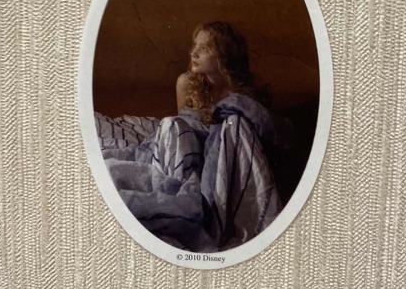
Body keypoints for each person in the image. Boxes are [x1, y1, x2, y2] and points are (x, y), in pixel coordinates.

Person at [96, 21, 282, 252]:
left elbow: (268, 137)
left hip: (217, 158)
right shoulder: (187, 83)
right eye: (195, 45)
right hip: (190, 153)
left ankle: (224, 216)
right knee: (171, 124)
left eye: (204, 48)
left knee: (235, 123)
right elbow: (183, 128)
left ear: (224, 55)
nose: (194, 53)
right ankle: (178, 195)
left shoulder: (245, 96)